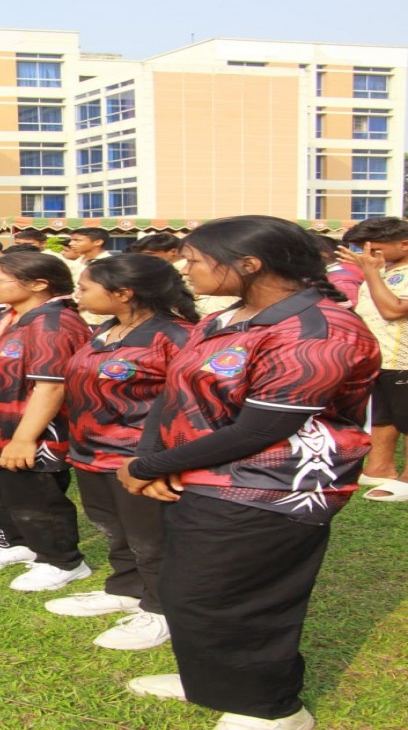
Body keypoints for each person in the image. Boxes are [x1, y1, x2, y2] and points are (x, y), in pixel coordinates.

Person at [118, 216, 379, 730]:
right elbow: (177, 392)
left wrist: (150, 465)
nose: (183, 268)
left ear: (248, 264)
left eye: (193, 259)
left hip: (274, 485)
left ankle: (271, 710)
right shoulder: (231, 315)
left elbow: (261, 429)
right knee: (187, 588)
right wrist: (151, 460)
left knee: (235, 597)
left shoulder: (318, 330)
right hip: (206, 473)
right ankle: (211, 679)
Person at [47, 254, 197, 650]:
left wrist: (164, 459)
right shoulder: (104, 330)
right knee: (113, 527)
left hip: (138, 457)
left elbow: (188, 404)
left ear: (123, 293)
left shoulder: (175, 337)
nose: (77, 293)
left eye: (85, 287)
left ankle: (161, 608)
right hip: (91, 451)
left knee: (152, 537)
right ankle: (126, 587)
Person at [0, 252, 92, 591]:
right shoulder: (5, 318)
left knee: (33, 496)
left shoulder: (53, 324)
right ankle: (15, 543)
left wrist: (24, 439)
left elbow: (51, 388)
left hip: (28, 427)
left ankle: (62, 561)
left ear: (39, 284)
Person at [337, 216, 408, 502]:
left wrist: (370, 273)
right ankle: (380, 467)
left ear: (404, 244)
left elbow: (393, 310)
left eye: (374, 250)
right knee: (383, 416)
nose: (367, 257)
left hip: (403, 359)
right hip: (379, 358)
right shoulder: (386, 269)